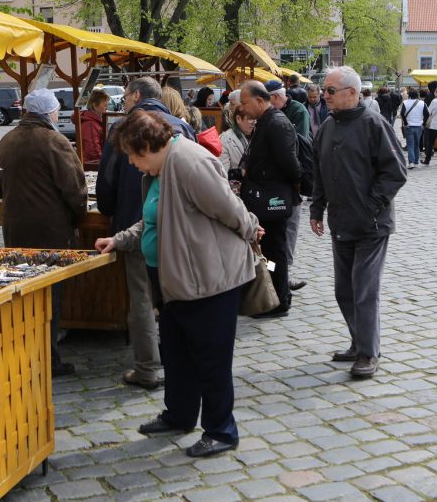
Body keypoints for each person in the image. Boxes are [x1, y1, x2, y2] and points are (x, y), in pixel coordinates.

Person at [95, 110, 262, 458]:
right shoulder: (161, 168)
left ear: (147, 146)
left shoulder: (187, 162)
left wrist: (251, 228)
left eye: (131, 154)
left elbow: (228, 208)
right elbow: (153, 218)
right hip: (176, 280)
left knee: (211, 360)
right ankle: (180, 415)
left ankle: (221, 430)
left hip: (207, 280)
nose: (130, 162)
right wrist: (121, 239)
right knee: (177, 354)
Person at [97, 77, 195, 391]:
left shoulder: (124, 129)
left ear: (136, 95)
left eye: (125, 96)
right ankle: (178, 361)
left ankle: (147, 368)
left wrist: (109, 210)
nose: (123, 102)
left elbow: (107, 182)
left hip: (134, 221)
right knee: (175, 297)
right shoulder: (180, 126)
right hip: (177, 229)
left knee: (140, 298)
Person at [309, 66, 407, 379]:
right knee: (344, 290)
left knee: (364, 289)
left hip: (371, 225)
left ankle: (368, 353)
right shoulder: (326, 127)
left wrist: (370, 205)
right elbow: (320, 172)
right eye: (324, 90)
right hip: (341, 223)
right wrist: (316, 209)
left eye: (330, 90)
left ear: (352, 93)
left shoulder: (373, 124)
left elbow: (396, 171)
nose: (325, 96)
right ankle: (358, 340)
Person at [0, 89, 87, 376]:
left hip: (15, 228)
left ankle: (24, 351)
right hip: (49, 231)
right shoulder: (54, 141)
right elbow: (75, 188)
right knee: (50, 295)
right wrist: (77, 219)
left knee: (24, 293)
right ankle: (49, 358)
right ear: (49, 113)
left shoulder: (7, 140)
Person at [238, 80, 302, 317]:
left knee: (276, 253)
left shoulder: (276, 123)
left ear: (259, 100)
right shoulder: (266, 122)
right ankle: (274, 294)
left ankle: (281, 299)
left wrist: (284, 186)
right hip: (264, 199)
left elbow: (291, 166)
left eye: (245, 103)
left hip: (273, 201)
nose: (243, 108)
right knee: (270, 254)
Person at [267, 79, 309, 291]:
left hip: (289, 185)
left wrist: (298, 179)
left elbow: (296, 146)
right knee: (274, 236)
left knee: (288, 231)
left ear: (275, 97)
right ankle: (275, 276)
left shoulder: (296, 111)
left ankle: (283, 275)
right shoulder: (269, 116)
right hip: (272, 188)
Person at [218, 103, 254, 173]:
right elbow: (223, 172)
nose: (254, 122)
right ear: (238, 119)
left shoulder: (256, 135)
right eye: (250, 119)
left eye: (256, 119)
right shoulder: (225, 139)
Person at [80, 89, 110, 165]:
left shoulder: (95, 120)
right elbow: (92, 150)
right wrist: (105, 162)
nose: (106, 108)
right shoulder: (90, 123)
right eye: (105, 105)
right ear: (95, 105)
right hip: (92, 165)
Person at [399, 89, 425, 169]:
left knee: (410, 145)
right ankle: (416, 161)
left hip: (409, 126)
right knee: (417, 145)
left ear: (409, 95)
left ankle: (411, 162)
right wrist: (423, 124)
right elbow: (427, 114)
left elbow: (402, 113)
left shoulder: (405, 103)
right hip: (419, 126)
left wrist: (406, 123)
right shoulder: (422, 103)